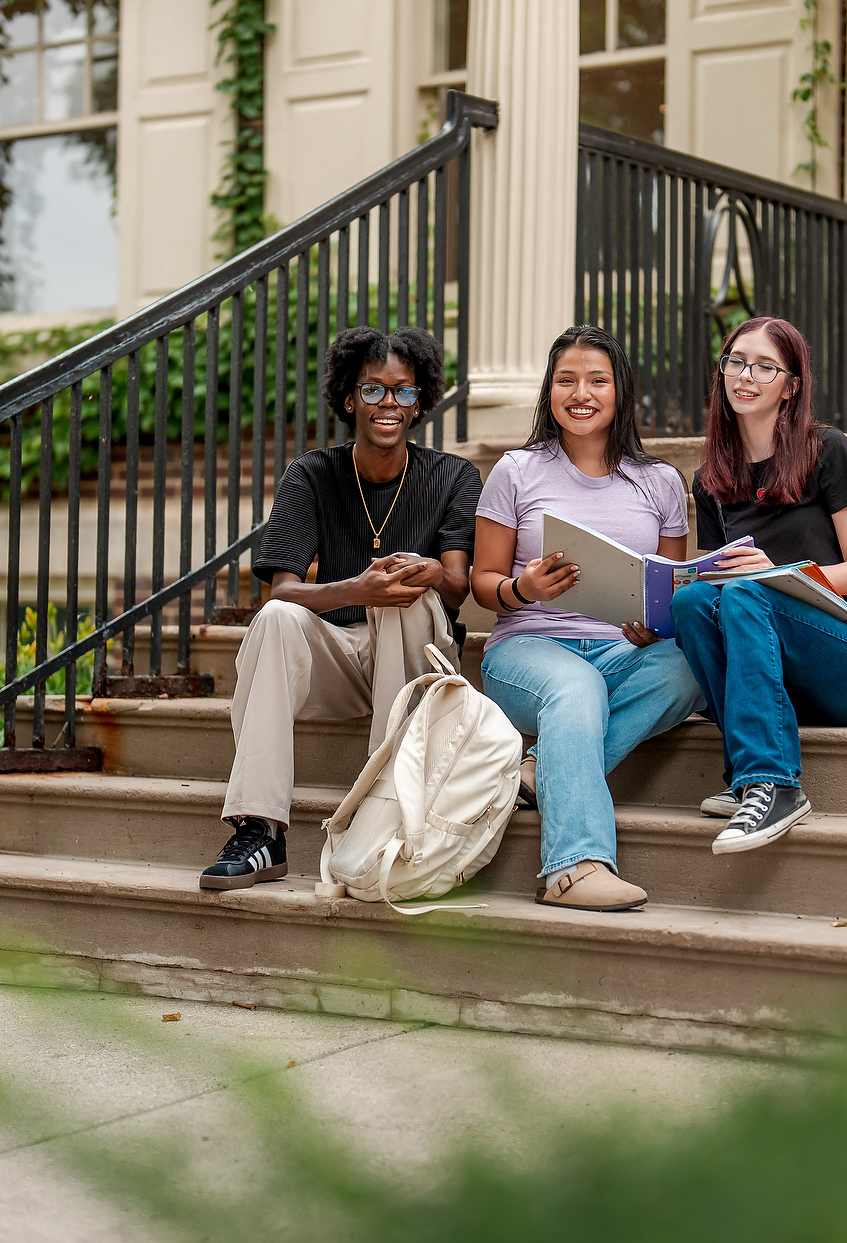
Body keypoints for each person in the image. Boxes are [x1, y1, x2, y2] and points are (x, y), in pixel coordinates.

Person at [201, 326, 482, 891]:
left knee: (407, 598)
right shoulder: (311, 473)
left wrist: (424, 574)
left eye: (403, 392)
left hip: (415, 657)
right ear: (348, 398)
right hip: (339, 655)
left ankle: (383, 811)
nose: (388, 404)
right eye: (373, 389)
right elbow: (281, 590)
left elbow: (457, 587)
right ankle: (260, 831)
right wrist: (356, 590)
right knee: (277, 619)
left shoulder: (454, 476)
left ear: (420, 401)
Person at [472, 325, 706, 913]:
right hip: (527, 653)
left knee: (693, 665)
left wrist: (655, 626)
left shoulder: (660, 483)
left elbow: (666, 592)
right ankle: (572, 866)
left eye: (597, 380)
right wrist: (521, 588)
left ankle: (537, 770)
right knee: (575, 689)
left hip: (618, 650)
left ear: (620, 390)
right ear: (549, 391)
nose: (582, 392)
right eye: (566, 379)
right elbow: (482, 585)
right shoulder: (516, 471)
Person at [671, 316, 847, 855]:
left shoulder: (826, 450)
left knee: (750, 592)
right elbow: (714, 586)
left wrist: (772, 576)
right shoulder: (711, 478)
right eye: (735, 361)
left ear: (791, 385)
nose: (745, 376)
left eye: (764, 366)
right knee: (692, 600)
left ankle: (774, 785)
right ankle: (748, 777)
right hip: (783, 683)